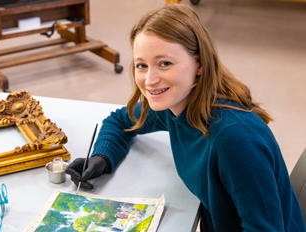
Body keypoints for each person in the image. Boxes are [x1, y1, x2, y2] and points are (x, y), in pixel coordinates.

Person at [65, 4, 306, 231]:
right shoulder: (176, 106)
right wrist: (102, 158)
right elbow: (120, 120)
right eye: (142, 65)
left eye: (165, 63)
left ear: (199, 64)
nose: (149, 80)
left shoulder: (234, 140)